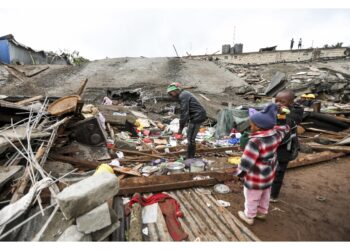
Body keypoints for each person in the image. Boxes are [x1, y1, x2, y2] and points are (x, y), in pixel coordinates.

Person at [235, 103, 290, 225]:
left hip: (255, 177)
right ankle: (262, 212)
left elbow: (246, 162)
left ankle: (249, 216)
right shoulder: (276, 134)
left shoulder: (255, 142)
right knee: (265, 193)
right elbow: (285, 127)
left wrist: (240, 174)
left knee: (251, 196)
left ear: (259, 127)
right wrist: (281, 115)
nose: (250, 125)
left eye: (252, 124)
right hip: (269, 174)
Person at [270, 90, 304, 202]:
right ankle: (268, 189)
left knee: (279, 172)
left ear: (290, 103)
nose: (278, 103)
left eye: (282, 101)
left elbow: (282, 131)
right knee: (271, 169)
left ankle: (273, 196)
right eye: (276, 101)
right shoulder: (280, 111)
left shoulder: (292, 115)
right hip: (277, 147)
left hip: (285, 148)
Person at [167, 83, 207, 159]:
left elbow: (184, 113)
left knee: (191, 138)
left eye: (173, 92)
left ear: (177, 90)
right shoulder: (184, 94)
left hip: (197, 116)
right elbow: (186, 112)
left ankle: (190, 157)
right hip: (195, 115)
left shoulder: (183, 95)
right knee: (190, 138)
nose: (172, 94)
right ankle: (189, 155)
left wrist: (180, 130)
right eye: (171, 93)